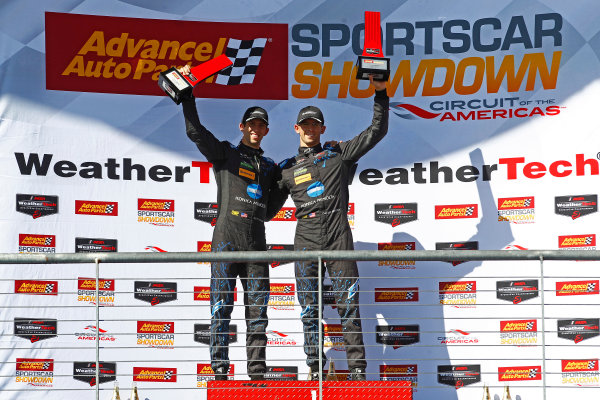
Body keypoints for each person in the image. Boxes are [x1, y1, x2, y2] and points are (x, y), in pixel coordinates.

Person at [275, 76, 389, 381]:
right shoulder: (286, 168)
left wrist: (380, 92)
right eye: (305, 125)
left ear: (322, 129)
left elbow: (377, 130)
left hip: (338, 234)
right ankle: (314, 367)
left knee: (348, 303)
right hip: (305, 238)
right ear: (296, 129)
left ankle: (357, 371)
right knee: (309, 308)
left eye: (316, 125)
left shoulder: (339, 155)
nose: (311, 129)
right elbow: (267, 205)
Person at [178, 65, 281, 381]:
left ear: (266, 131)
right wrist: (187, 96)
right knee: (221, 308)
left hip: (255, 243)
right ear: (242, 126)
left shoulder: (270, 167)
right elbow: (195, 132)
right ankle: (219, 370)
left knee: (258, 312)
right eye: (251, 123)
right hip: (225, 239)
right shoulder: (225, 153)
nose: (255, 128)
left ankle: (257, 370)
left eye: (261, 125)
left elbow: (272, 208)